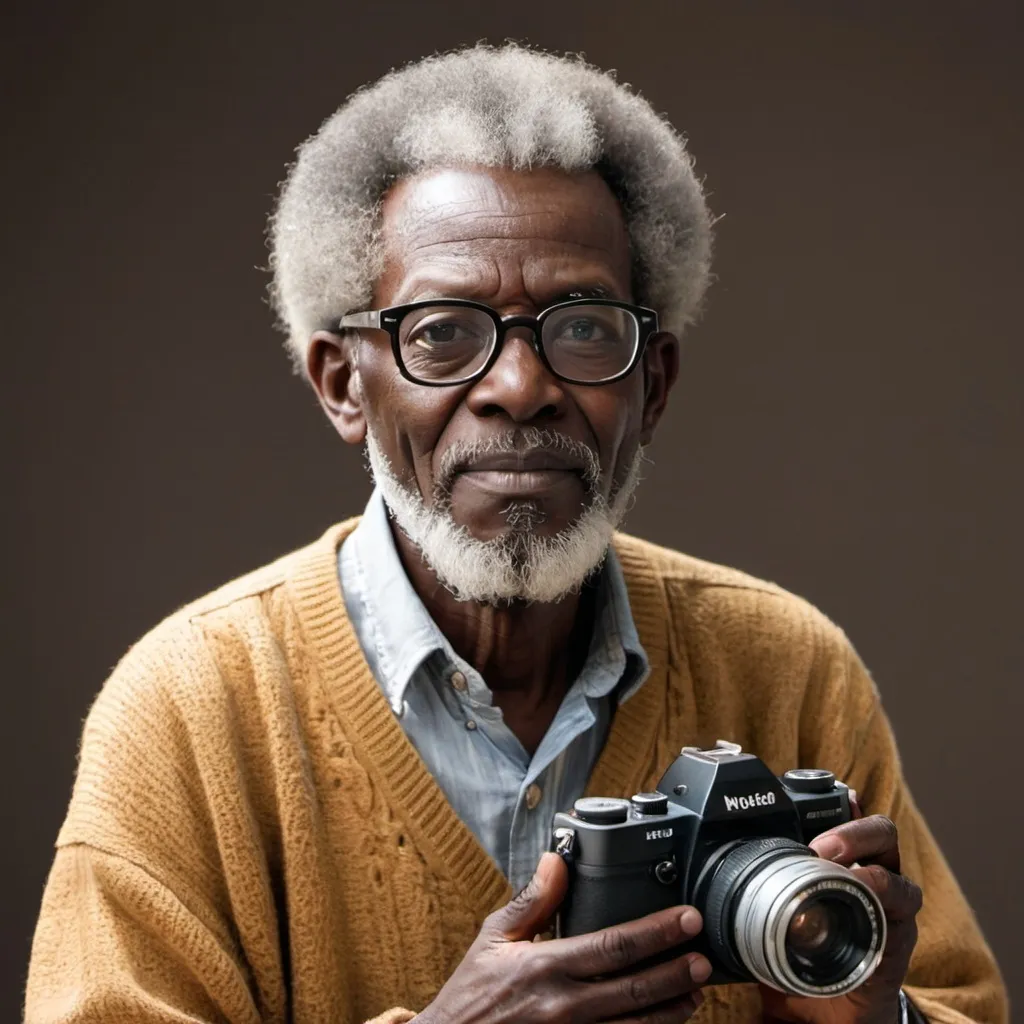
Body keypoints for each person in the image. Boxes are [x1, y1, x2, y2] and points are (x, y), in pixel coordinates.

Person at [25, 43, 1006, 1024]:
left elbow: (952, 1006)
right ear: (341, 383)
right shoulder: (190, 710)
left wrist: (877, 1013)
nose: (521, 387)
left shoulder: (786, 671)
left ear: (651, 384)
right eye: (444, 331)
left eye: (582, 329)